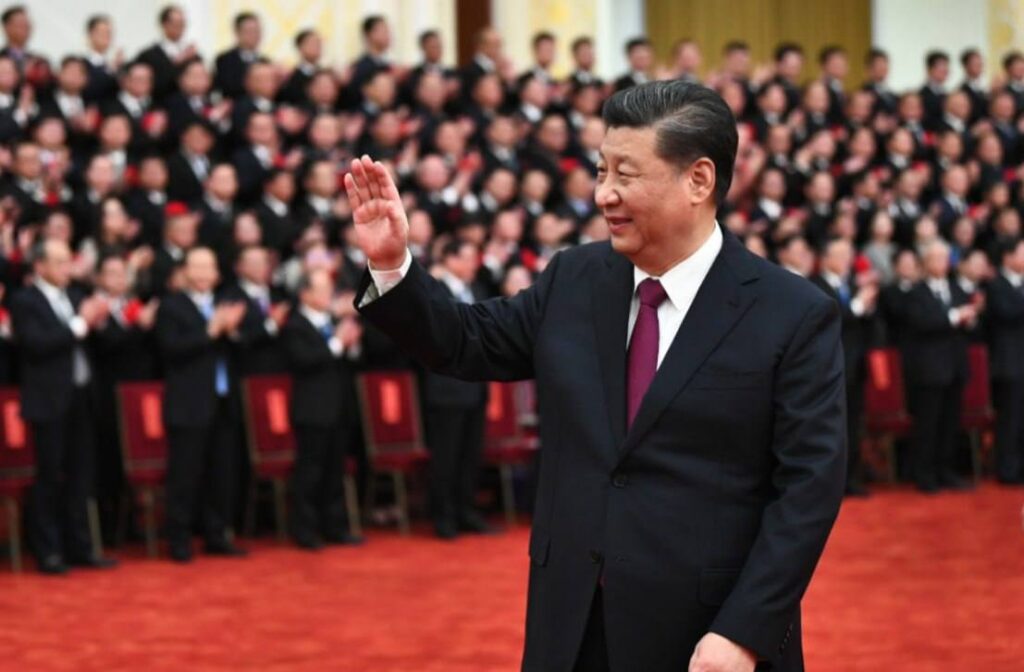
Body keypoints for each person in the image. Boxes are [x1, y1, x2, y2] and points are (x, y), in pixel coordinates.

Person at [346, 81, 845, 672]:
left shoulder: (790, 314)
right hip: (572, 623)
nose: (603, 193)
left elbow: (808, 490)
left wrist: (744, 632)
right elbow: (464, 342)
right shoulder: (574, 279)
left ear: (699, 180)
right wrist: (392, 264)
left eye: (625, 175)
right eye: (601, 170)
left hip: (707, 636)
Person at [10, 239, 117, 573]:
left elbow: (92, 340)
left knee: (81, 475)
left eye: (67, 261)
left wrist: (98, 322)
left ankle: (80, 547)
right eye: (57, 262)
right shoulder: (25, 300)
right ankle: (48, 551)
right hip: (48, 400)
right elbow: (36, 345)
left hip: (82, 396)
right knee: (49, 475)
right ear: (39, 266)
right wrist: (80, 324)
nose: (65, 268)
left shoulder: (75, 295)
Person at [154, 246, 248, 562]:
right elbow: (171, 349)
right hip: (188, 404)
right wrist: (211, 331)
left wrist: (232, 332)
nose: (204, 273)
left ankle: (217, 534)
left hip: (223, 401)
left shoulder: (225, 305)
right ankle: (179, 539)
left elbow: (243, 348)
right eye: (198, 267)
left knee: (222, 472)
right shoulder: (172, 306)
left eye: (209, 267)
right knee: (185, 474)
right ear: (185, 271)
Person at [281, 269, 364, 549]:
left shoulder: (333, 322)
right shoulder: (295, 325)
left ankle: (335, 526)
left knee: (335, 471)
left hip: (340, 408)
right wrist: (338, 343)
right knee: (310, 473)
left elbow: (349, 362)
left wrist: (351, 345)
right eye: (322, 290)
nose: (329, 295)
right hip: (312, 411)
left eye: (330, 289)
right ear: (305, 294)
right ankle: (305, 530)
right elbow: (304, 361)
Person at [422, 240, 492, 539]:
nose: (472, 264)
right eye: (466, 257)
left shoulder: (478, 290)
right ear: (449, 260)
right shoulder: (436, 291)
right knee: (446, 457)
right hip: (445, 389)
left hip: (476, 387)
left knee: (470, 455)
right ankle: (444, 516)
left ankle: (467, 511)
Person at [903, 239, 975, 492]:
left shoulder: (957, 289)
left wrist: (970, 318)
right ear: (925, 262)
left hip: (955, 366)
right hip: (929, 369)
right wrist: (954, 317)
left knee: (950, 423)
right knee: (928, 424)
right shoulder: (915, 293)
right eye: (935, 258)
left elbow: (968, 323)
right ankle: (925, 473)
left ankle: (946, 470)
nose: (941, 263)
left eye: (945, 258)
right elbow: (922, 323)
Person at [811, 237, 877, 496]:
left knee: (853, 425)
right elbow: (832, 318)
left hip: (856, 367)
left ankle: (852, 478)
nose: (847, 260)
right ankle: (831, 483)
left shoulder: (850, 285)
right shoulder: (816, 284)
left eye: (849, 255)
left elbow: (863, 323)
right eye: (840, 255)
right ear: (825, 258)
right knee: (832, 428)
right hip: (830, 369)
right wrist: (859, 304)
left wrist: (867, 307)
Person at [985, 238, 1024, 485]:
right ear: (1007, 257)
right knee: (1010, 419)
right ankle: (1007, 469)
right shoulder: (996, 285)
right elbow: (1006, 313)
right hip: (1008, 362)